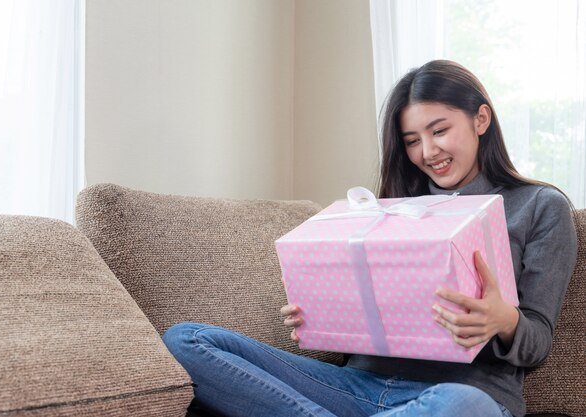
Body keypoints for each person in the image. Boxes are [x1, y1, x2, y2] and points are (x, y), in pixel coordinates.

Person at [162, 60, 577, 417]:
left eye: (440, 130)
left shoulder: (538, 206)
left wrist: (502, 319)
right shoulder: (380, 213)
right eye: (413, 140)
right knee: (186, 340)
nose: (428, 151)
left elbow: (537, 341)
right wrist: (322, 315)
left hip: (458, 396)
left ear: (480, 119)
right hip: (353, 388)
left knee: (462, 405)